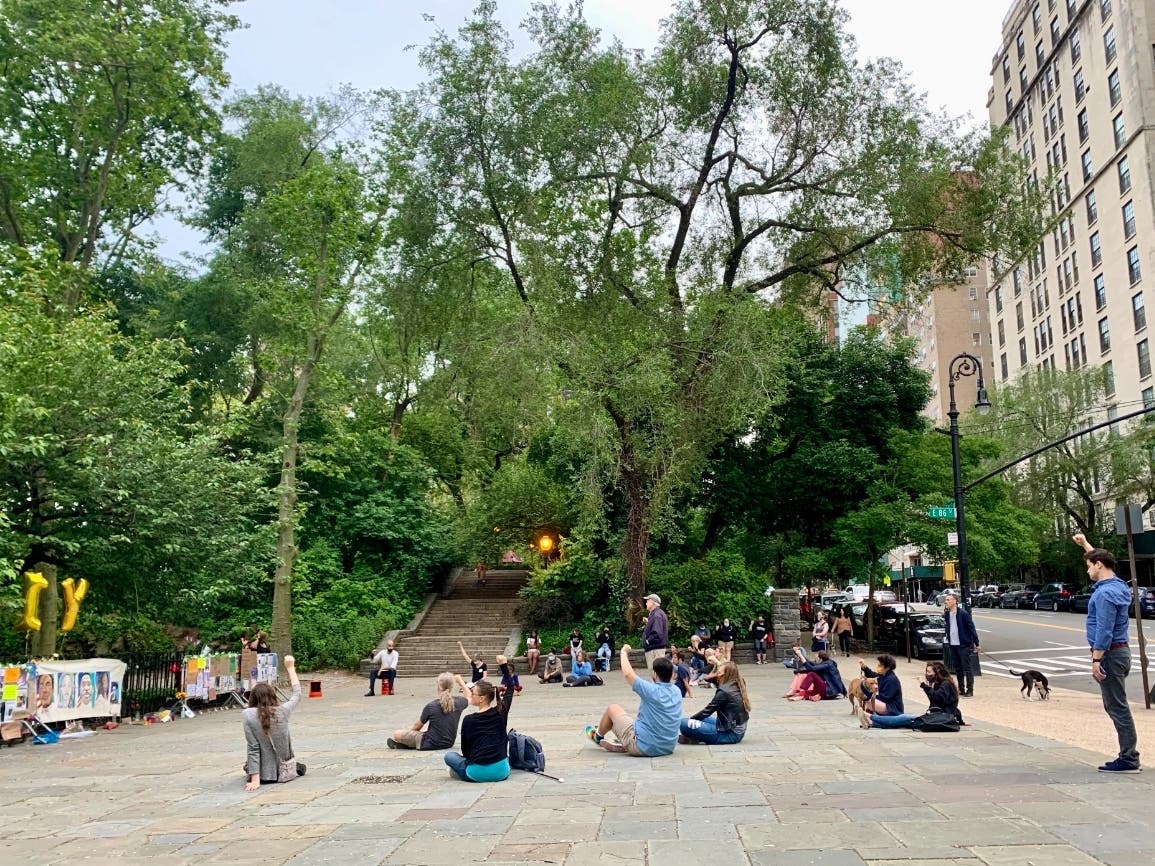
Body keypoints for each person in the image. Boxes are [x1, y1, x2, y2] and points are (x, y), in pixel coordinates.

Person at [1073, 533, 1141, 773]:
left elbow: (1104, 630)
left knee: (1116, 706)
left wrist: (1096, 659)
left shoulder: (1104, 594)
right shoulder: (1119, 586)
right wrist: (1086, 546)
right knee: (1117, 704)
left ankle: (1129, 757)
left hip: (1110, 654)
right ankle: (1128, 755)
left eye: (1090, 565)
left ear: (1098, 565)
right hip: (1122, 652)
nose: (1088, 570)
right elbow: (1102, 564)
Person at [584, 644, 681, 757]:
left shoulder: (651, 690)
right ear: (671, 674)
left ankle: (598, 735)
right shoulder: (676, 691)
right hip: (668, 747)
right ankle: (626, 739)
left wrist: (623, 652)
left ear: (654, 674)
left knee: (613, 709)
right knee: (637, 720)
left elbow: (628, 674)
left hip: (644, 747)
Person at [242, 655, 304, 791]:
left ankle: (254, 773)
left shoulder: (248, 715)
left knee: (249, 758)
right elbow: (297, 694)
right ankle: (295, 767)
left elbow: (253, 748)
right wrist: (290, 667)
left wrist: (255, 780)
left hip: (265, 774)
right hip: (285, 770)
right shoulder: (282, 711)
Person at [444, 677, 514, 782]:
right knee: (504, 758)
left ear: (481, 698)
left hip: (476, 773)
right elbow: (510, 690)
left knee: (449, 756)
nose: (470, 694)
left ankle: (462, 772)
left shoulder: (469, 720)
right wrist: (503, 664)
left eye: (473, 693)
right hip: (502, 772)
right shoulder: (501, 712)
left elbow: (466, 751)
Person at [859, 661, 961, 730]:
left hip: (938, 720)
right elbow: (950, 704)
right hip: (935, 718)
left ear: (937, 673)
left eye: (929, 672)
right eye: (926, 671)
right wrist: (960, 720)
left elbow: (937, 697)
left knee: (903, 719)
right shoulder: (942, 684)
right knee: (903, 721)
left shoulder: (946, 684)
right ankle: (872, 723)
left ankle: (870, 716)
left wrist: (923, 685)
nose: (927, 674)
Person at [388, 672, 468, 750]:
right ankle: (411, 743)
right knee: (425, 730)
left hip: (429, 743)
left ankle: (408, 743)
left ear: (438, 686)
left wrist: (409, 735)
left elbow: (417, 726)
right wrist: (460, 681)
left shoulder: (431, 706)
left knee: (397, 733)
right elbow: (469, 697)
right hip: (449, 743)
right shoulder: (459, 702)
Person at [679, 661, 750, 745]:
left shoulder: (724, 691)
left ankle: (697, 736)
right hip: (734, 729)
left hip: (729, 734)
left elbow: (707, 711)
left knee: (683, 723)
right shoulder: (737, 683)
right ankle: (696, 735)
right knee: (700, 721)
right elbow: (707, 678)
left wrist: (691, 720)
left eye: (719, 672)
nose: (717, 674)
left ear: (726, 675)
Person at [942, 592, 980, 697]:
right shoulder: (947, 614)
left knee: (967, 667)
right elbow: (948, 627)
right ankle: (961, 688)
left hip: (963, 644)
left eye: (948, 600)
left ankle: (970, 689)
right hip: (952, 644)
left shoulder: (963, 614)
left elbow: (971, 628)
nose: (946, 601)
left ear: (955, 601)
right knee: (957, 668)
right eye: (946, 600)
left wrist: (977, 643)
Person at [641, 594, 669, 668]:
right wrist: (648, 622)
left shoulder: (656, 615)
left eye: (647, 601)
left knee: (656, 675)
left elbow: (657, 633)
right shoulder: (656, 614)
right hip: (655, 649)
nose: (646, 603)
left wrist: (648, 641)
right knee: (656, 675)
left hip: (655, 650)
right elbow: (656, 628)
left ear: (652, 602)